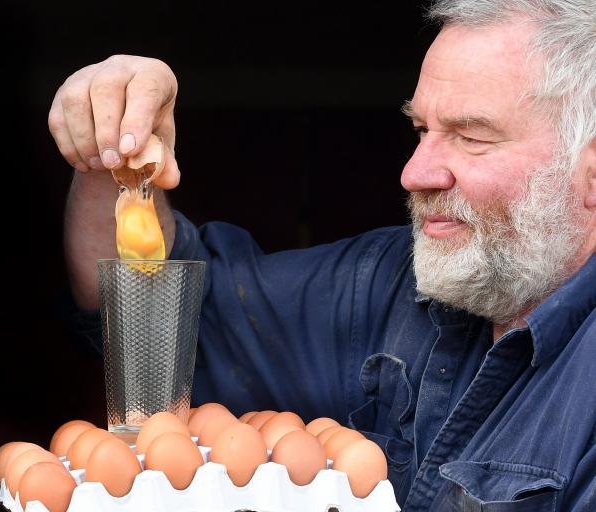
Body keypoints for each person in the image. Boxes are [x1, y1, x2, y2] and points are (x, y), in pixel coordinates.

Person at [49, 0, 595, 509]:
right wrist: (114, 146)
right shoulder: (386, 284)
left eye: (472, 137)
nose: (415, 173)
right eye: (422, 129)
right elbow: (158, 313)